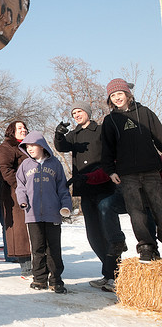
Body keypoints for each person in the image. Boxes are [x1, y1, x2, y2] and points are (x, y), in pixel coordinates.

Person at [54, 101, 126, 292]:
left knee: (109, 233)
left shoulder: (101, 129)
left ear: (87, 112)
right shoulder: (74, 134)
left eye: (79, 111)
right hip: (85, 190)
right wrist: (59, 133)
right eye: (74, 113)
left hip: (104, 186)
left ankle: (117, 275)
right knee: (94, 236)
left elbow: (114, 151)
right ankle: (109, 274)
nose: (77, 115)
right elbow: (61, 147)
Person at [101, 78, 162, 263]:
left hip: (151, 171)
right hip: (127, 175)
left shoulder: (145, 113)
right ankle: (146, 246)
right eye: (113, 95)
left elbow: (160, 137)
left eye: (120, 93)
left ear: (127, 94)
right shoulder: (110, 120)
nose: (117, 97)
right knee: (136, 212)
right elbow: (107, 149)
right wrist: (111, 171)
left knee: (159, 207)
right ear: (110, 99)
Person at [16, 131, 72, 294]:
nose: (30, 148)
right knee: (38, 247)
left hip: (53, 213)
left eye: (33, 145)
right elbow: (20, 186)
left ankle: (56, 280)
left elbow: (62, 188)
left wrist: (66, 206)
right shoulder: (25, 165)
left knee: (53, 248)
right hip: (32, 214)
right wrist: (22, 201)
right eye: (27, 146)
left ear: (42, 146)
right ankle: (39, 279)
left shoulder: (55, 164)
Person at [0, 120, 32, 277]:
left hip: (36, 192)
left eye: (24, 127)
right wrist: (21, 187)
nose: (23, 130)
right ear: (11, 131)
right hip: (15, 194)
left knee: (34, 229)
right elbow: (5, 170)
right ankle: (27, 267)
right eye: (19, 128)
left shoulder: (30, 146)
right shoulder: (6, 147)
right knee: (20, 230)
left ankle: (40, 264)